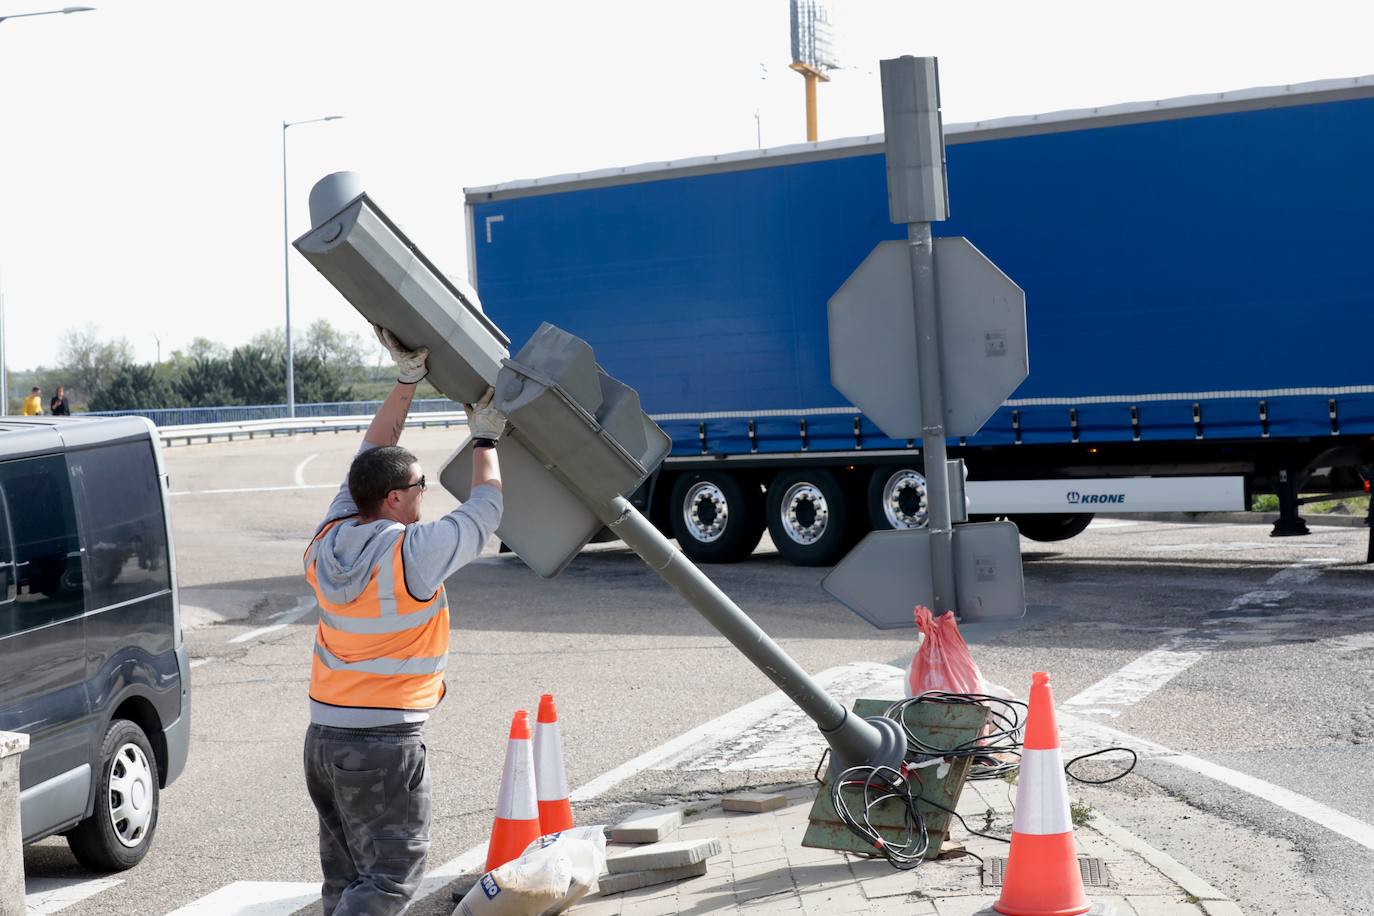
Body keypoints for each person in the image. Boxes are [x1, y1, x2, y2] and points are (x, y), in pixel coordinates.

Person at [302, 325, 506, 916]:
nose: (424, 493)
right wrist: (485, 438)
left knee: (346, 881)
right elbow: (486, 507)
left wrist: (406, 382)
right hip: (381, 744)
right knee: (389, 881)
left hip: (323, 738)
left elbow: (369, 459)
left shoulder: (329, 539)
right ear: (394, 499)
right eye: (419, 485)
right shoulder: (409, 554)